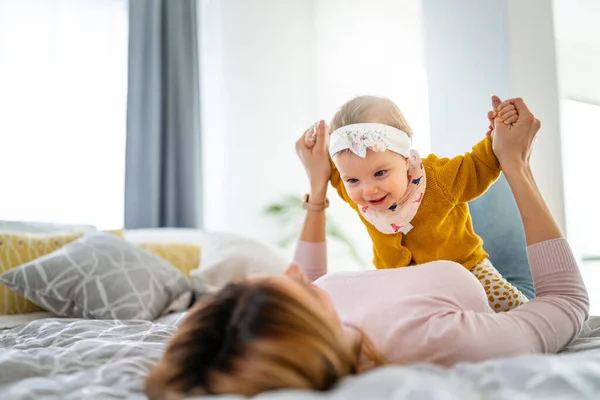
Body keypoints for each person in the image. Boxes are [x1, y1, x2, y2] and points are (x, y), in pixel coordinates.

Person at [144, 97, 589, 399]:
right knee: (473, 187)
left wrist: (318, 185)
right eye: (286, 289)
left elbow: (312, 275)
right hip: (480, 270)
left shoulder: (321, 321)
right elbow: (567, 303)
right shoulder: (439, 340)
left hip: (428, 213)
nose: (296, 273)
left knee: (447, 183)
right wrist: (515, 163)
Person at [313, 94, 526, 312]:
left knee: (513, 308)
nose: (368, 190)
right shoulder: (358, 194)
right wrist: (318, 147)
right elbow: (336, 175)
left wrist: (498, 134)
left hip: (467, 269)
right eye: (353, 180)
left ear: (406, 159)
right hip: (401, 285)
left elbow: (478, 165)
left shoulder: (437, 178)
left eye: (380, 173)